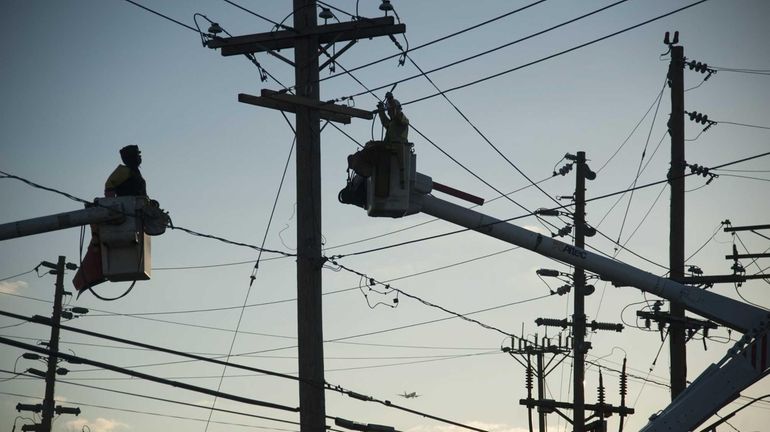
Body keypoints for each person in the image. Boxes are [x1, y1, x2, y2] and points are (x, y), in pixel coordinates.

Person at [73, 145, 148, 292]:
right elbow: (109, 186)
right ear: (129, 158)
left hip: (135, 214)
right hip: (127, 212)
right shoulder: (123, 171)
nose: (140, 157)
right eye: (137, 155)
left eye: (139, 155)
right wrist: (111, 206)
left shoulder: (135, 173)